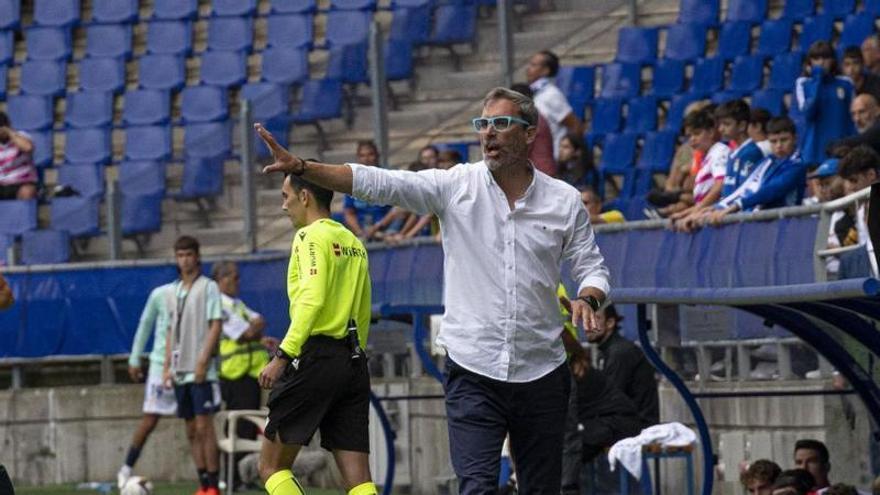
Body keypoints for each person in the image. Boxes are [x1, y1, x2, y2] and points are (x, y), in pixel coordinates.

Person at [254, 85, 610, 493]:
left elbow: (591, 265)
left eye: (501, 123)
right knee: (475, 486)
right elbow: (380, 183)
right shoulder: (456, 185)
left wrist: (589, 296)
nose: (488, 133)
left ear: (529, 133)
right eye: (483, 124)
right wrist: (303, 167)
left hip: (543, 370)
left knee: (543, 488)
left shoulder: (563, 200)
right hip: (474, 368)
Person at [255, 173, 375, 495]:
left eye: (285, 196)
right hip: (353, 362)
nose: (284, 206)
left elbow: (312, 298)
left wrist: (283, 356)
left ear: (305, 196)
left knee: (271, 467)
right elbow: (363, 309)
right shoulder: (353, 242)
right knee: (360, 481)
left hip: (316, 358)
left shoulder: (310, 237)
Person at [162, 236, 224, 495]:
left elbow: (215, 325)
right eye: (180, 255)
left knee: (204, 427)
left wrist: (202, 361)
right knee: (190, 429)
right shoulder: (173, 290)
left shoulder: (208, 287)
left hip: (201, 370)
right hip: (179, 370)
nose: (185, 259)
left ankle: (214, 484)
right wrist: (166, 366)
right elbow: (170, 331)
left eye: (189, 254)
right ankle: (202, 483)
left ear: (197, 256)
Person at [212, 261, 274, 492]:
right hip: (234, 375)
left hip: (248, 374)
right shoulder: (219, 306)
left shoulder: (236, 304)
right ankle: (235, 479)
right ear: (222, 279)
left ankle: (243, 476)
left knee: (247, 428)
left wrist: (255, 333)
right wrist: (254, 330)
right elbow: (243, 333)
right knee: (238, 429)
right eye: (235, 278)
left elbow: (258, 321)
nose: (238, 282)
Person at [118, 280, 178, 489]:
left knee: (197, 424)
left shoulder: (205, 291)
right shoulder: (160, 294)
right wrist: (134, 359)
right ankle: (125, 469)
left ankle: (210, 481)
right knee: (150, 419)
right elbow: (145, 324)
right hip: (161, 365)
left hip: (190, 368)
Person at [585, 304, 659, 428]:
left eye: (595, 318)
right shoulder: (607, 351)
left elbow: (610, 398)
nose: (587, 325)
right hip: (626, 423)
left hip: (637, 427)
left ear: (610, 323)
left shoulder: (620, 353)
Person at [796, 41, 856, 166]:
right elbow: (809, 113)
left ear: (833, 60)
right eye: (816, 58)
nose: (821, 62)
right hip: (814, 151)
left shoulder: (846, 83)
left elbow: (853, 117)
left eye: (826, 58)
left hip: (842, 149)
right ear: (810, 62)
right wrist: (817, 79)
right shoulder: (803, 83)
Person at [669, 108, 730, 227]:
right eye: (688, 136)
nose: (692, 139)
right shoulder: (706, 157)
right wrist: (686, 213)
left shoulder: (719, 152)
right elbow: (701, 200)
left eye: (697, 133)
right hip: (706, 214)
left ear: (711, 132)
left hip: (716, 219)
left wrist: (696, 211)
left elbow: (720, 185)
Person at [526, 50, 583, 159]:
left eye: (533, 65)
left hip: (551, 161)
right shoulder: (533, 93)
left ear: (545, 71)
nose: (528, 68)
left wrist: (565, 158)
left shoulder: (552, 95)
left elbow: (576, 126)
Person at [809, 158, 858, 277]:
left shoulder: (852, 212)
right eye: (820, 185)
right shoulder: (816, 213)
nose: (823, 189)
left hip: (849, 275)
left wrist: (831, 249)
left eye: (828, 183)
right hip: (823, 275)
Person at [838, 145, 880, 277]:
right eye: (847, 182)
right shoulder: (859, 210)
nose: (850, 187)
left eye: (854, 180)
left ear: (871, 175)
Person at [716, 100, 767, 198]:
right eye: (720, 124)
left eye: (726, 124)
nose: (720, 129)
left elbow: (743, 191)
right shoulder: (733, 152)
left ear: (742, 126)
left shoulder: (751, 153)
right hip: (726, 208)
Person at [342, 141, 391, 239]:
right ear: (358, 158)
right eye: (362, 156)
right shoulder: (352, 181)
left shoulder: (389, 178)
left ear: (377, 156)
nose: (366, 159)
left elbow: (397, 211)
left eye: (370, 154)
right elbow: (349, 212)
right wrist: (360, 232)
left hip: (387, 230)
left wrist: (376, 228)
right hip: (361, 232)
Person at [510, 83, 556, 176]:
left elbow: (520, 149)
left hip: (541, 174)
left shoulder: (532, 120)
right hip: (541, 172)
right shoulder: (534, 117)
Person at [0, 111, 36, 201]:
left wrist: (10, 132)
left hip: (22, 182)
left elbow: (28, 147)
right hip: (1, 183)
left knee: (27, 192)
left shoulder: (21, 136)